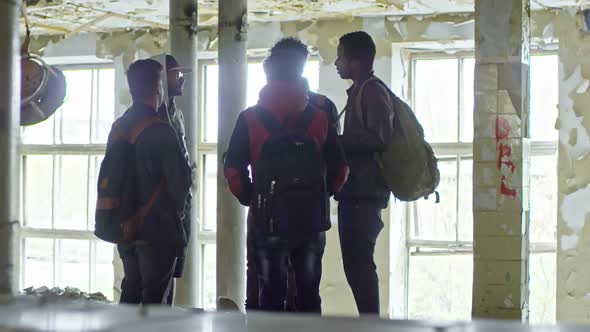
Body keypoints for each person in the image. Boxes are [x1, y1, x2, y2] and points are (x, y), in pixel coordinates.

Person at [224, 38, 348, 313]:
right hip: (310, 222)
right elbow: (341, 170)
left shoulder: (250, 118)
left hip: (267, 220)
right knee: (308, 296)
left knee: (269, 297)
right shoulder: (319, 117)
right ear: (299, 73)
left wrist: (252, 198)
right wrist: (318, 195)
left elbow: (232, 170)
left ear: (268, 74)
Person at [116, 59, 192, 305]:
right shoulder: (161, 127)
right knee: (156, 302)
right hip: (158, 227)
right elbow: (178, 182)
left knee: (131, 292)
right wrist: (175, 218)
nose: (181, 78)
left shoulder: (120, 125)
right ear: (159, 85)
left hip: (127, 224)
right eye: (176, 74)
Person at [334, 31, 395, 315]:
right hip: (357, 193)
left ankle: (371, 325)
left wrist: (335, 141)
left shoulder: (371, 91)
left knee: (359, 266)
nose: (336, 62)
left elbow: (379, 138)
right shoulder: (361, 91)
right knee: (356, 266)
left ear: (355, 61)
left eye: (341, 56)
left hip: (364, 194)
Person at [150, 54, 195, 305]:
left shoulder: (175, 114)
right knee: (154, 287)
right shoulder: (152, 118)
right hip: (158, 217)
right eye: (175, 73)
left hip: (177, 214)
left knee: (170, 278)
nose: (181, 79)